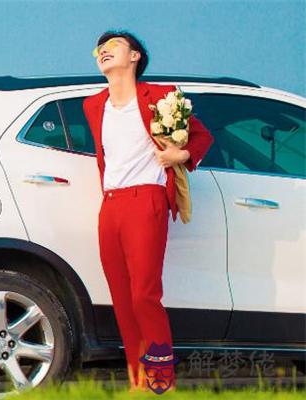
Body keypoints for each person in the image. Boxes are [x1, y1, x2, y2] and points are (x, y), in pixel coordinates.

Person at [82, 31, 213, 392]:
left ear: (135, 56)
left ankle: (161, 381)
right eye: (100, 48)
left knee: (144, 295)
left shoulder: (161, 97)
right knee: (122, 299)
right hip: (110, 205)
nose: (104, 51)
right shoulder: (93, 105)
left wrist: (179, 155)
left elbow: (202, 137)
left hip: (146, 200)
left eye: (113, 45)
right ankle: (137, 381)